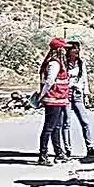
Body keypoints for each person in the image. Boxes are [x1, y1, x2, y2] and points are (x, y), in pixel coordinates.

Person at [61, 41, 94, 159]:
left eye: (77, 49)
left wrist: (86, 94)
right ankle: (67, 149)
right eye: (74, 49)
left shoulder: (81, 64)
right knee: (66, 122)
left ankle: (90, 147)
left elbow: (84, 79)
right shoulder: (64, 63)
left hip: (77, 93)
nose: (76, 51)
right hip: (67, 93)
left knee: (85, 121)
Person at [38, 38, 71, 166]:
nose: (66, 51)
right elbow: (50, 81)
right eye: (64, 48)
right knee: (49, 127)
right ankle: (43, 155)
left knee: (56, 126)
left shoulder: (58, 62)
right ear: (59, 49)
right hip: (53, 98)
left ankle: (58, 152)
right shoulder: (54, 63)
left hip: (59, 99)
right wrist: (42, 95)